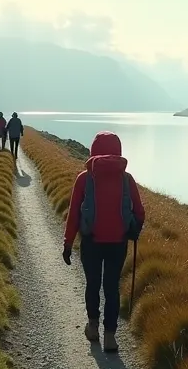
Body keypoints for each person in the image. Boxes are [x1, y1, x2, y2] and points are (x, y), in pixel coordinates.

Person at [62, 131, 145, 352]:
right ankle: (110, 337)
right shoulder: (127, 179)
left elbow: (74, 214)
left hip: (91, 241)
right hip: (118, 243)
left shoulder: (84, 178)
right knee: (111, 287)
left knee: (92, 284)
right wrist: (134, 229)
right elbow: (139, 212)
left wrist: (68, 243)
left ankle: (92, 327)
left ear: (93, 150)